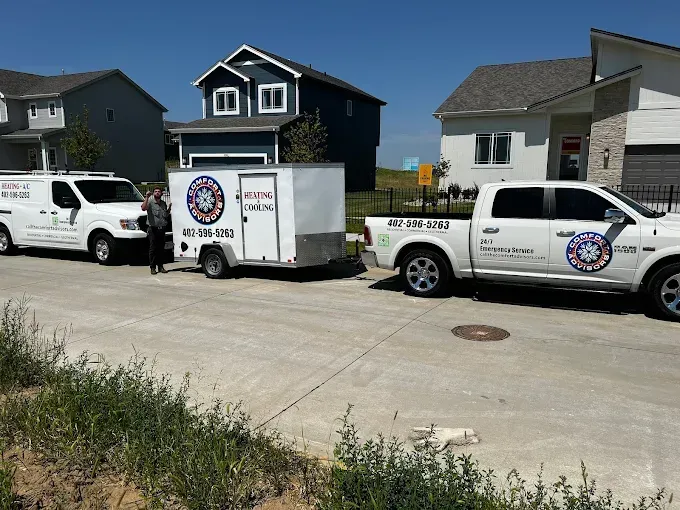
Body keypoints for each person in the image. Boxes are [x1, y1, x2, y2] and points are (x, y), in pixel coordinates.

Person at [141, 186, 171, 274]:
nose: (157, 193)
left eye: (159, 191)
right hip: (152, 229)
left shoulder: (163, 203)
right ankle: (152, 267)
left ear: (161, 193)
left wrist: (169, 209)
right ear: (153, 193)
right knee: (153, 248)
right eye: (155, 191)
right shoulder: (150, 202)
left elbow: (165, 215)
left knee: (161, 248)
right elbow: (143, 208)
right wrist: (146, 197)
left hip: (161, 229)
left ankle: (161, 266)